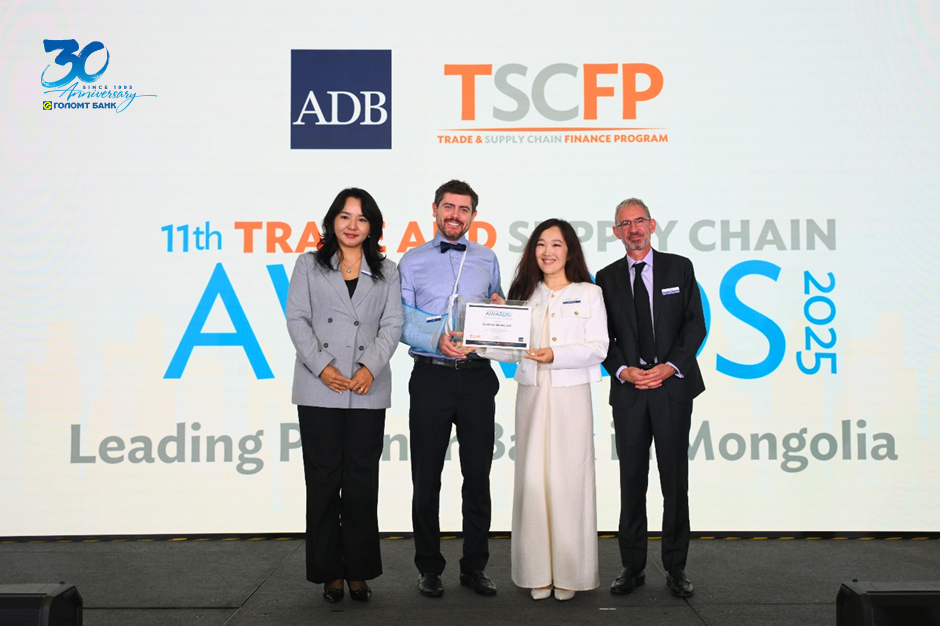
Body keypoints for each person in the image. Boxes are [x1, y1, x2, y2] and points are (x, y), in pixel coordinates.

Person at [477, 219, 608, 601]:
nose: (547, 252)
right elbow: (511, 350)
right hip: (532, 395)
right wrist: (478, 342)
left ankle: (571, 575)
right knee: (533, 480)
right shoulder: (524, 293)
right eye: (540, 244)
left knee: (570, 482)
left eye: (556, 244)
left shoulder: (589, 293)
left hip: (571, 396)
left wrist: (556, 355)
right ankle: (537, 573)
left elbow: (598, 347)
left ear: (570, 251)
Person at [286, 188, 403, 604]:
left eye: (362, 218)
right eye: (345, 216)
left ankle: (358, 571)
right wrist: (323, 367)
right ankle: (329, 573)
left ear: (373, 227)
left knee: (360, 485)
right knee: (322, 484)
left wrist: (369, 366)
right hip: (319, 387)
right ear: (332, 221)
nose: (352, 225)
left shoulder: (388, 271)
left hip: (367, 388)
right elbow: (297, 319)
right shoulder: (308, 265)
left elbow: (393, 324)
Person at [595, 198, 706, 598]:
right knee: (632, 481)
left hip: (671, 389)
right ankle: (632, 566)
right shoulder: (605, 278)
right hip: (630, 391)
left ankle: (676, 568)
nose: (634, 229)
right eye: (625, 224)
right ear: (616, 232)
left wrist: (670, 367)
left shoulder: (680, 267)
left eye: (639, 221)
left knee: (674, 481)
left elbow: (695, 325)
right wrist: (622, 369)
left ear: (652, 225)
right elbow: (600, 337)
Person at [398, 179, 503, 598]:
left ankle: (475, 567)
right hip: (431, 376)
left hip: (477, 378)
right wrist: (433, 339)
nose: (455, 215)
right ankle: (429, 567)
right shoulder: (412, 261)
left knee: (477, 476)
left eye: (463, 209)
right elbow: (400, 322)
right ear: (435, 209)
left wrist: (500, 312)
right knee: (426, 478)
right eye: (448, 207)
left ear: (473, 215)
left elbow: (497, 309)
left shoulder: (488, 258)